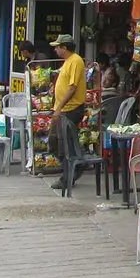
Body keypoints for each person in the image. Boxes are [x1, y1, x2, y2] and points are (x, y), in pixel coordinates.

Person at [47, 34, 87, 190]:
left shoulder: (76, 61)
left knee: (65, 144)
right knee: (54, 142)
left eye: (58, 47)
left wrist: (59, 107)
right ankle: (75, 165)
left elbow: (72, 87)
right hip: (62, 109)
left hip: (70, 109)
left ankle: (68, 177)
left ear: (64, 47)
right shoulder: (67, 62)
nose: (56, 49)